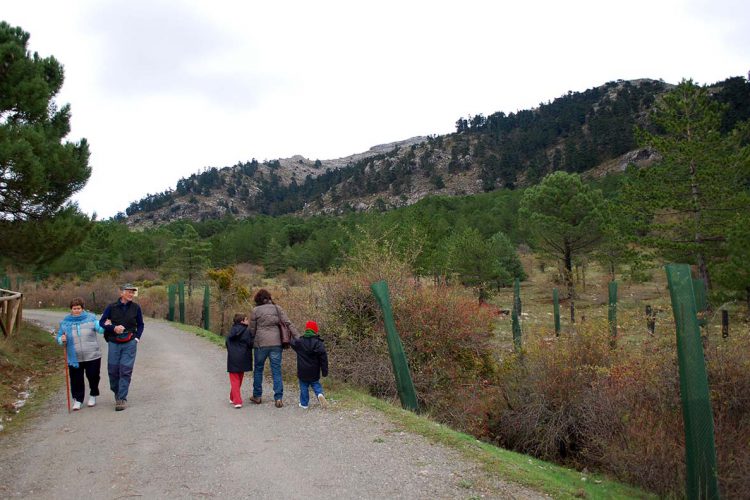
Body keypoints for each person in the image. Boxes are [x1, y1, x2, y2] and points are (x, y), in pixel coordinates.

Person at [248, 289, 299, 408]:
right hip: (276, 343)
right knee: (276, 370)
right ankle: (278, 398)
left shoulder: (255, 310)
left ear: (258, 299)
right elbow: (288, 323)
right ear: (269, 298)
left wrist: (250, 341)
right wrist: (298, 338)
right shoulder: (277, 308)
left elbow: (252, 330)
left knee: (258, 369)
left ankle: (257, 396)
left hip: (261, 344)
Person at [99, 283, 144, 411]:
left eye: (132, 292)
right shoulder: (111, 307)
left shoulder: (136, 307)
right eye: (129, 292)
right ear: (121, 293)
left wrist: (137, 338)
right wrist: (113, 328)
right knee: (113, 371)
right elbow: (101, 322)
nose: (131, 294)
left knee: (125, 370)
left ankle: (122, 398)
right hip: (114, 342)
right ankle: (117, 392)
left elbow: (140, 324)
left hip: (130, 342)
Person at [56, 297, 105, 411]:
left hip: (92, 355)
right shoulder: (65, 323)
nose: (76, 310)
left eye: (78, 308)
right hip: (74, 357)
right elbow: (59, 337)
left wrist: (105, 325)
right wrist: (61, 339)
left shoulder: (91, 319)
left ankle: (93, 394)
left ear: (83, 309)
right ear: (71, 309)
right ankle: (78, 400)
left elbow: (101, 330)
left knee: (93, 377)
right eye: (74, 308)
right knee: (76, 379)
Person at [290, 320, 328, 409]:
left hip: (302, 371)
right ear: (315, 330)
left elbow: (292, 343)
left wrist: (291, 335)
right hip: (314, 371)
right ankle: (319, 394)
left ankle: (304, 404)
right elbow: (324, 359)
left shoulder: (300, 342)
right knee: (315, 384)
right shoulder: (319, 343)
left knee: (303, 387)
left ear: (306, 329)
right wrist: (324, 371)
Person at [227, 313, 254, 408]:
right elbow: (251, 344)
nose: (248, 321)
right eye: (246, 319)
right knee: (239, 379)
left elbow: (227, 343)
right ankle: (237, 401)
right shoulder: (248, 331)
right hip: (243, 358)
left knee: (235, 380)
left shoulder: (231, 330)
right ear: (242, 321)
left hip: (233, 358)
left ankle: (233, 397)